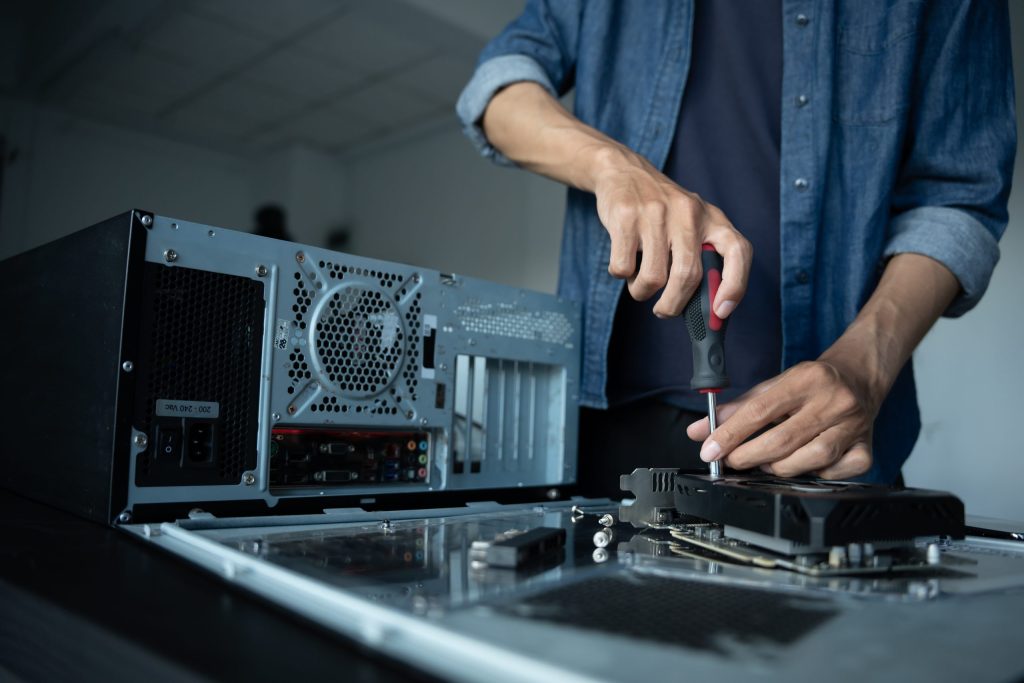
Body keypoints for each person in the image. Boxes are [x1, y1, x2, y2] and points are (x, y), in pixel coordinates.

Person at [456, 1, 1016, 497]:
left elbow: (959, 200)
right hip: (607, 428)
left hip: (826, 439)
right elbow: (499, 90)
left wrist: (863, 368)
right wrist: (612, 166)